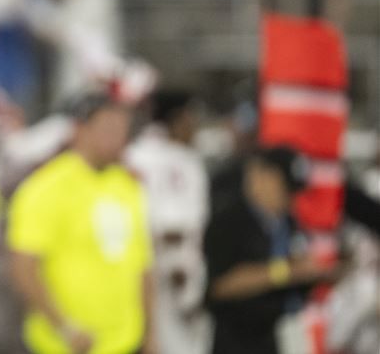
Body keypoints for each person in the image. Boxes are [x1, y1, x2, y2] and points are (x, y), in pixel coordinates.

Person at [7, 92, 156, 354]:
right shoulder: (45, 188)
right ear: (79, 130)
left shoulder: (128, 186)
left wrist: (150, 333)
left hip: (125, 341)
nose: (119, 139)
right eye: (109, 129)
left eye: (123, 130)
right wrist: (64, 328)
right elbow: (24, 269)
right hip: (64, 346)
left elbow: (142, 265)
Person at [204, 146, 341, 354]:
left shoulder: (288, 222)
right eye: (286, 188)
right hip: (238, 340)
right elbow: (220, 286)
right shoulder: (228, 220)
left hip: (282, 335)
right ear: (261, 177)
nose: (291, 199)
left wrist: (319, 274)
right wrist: (286, 272)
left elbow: (298, 264)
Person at [127, 89, 211, 354]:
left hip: (188, 271)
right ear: (176, 118)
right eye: (191, 116)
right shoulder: (137, 155)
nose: (195, 124)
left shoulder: (191, 158)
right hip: (151, 269)